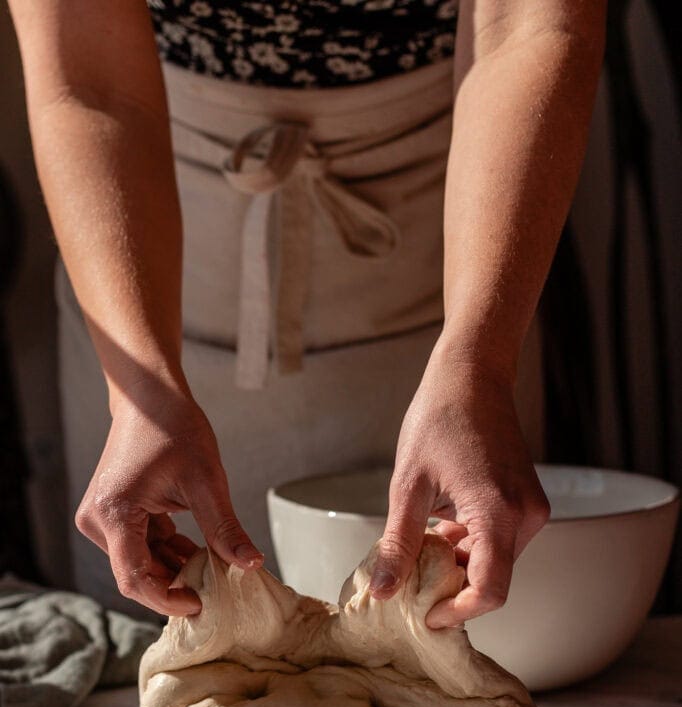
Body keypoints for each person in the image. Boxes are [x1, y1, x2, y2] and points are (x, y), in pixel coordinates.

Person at [8, 0, 607, 626]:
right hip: (141, 259)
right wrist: (137, 394)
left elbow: (524, 30)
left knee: (458, 625)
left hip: (462, 255)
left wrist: (478, 363)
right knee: (152, 625)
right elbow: (89, 81)